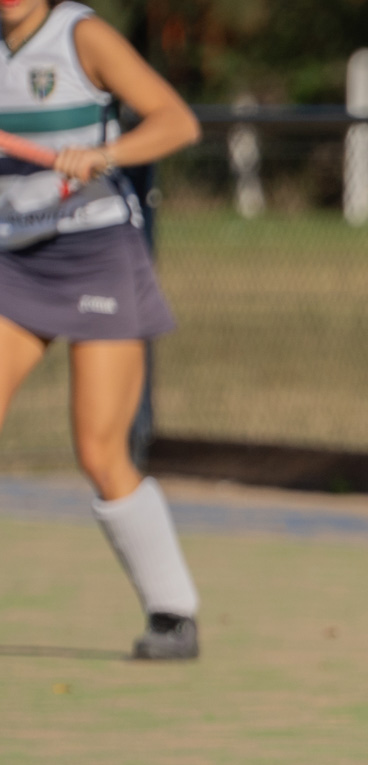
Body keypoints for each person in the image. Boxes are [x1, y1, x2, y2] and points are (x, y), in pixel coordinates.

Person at [0, 0, 202, 659]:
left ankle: (173, 611)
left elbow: (177, 121)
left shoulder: (81, 36)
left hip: (94, 253)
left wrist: (104, 153)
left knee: (99, 452)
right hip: (11, 258)